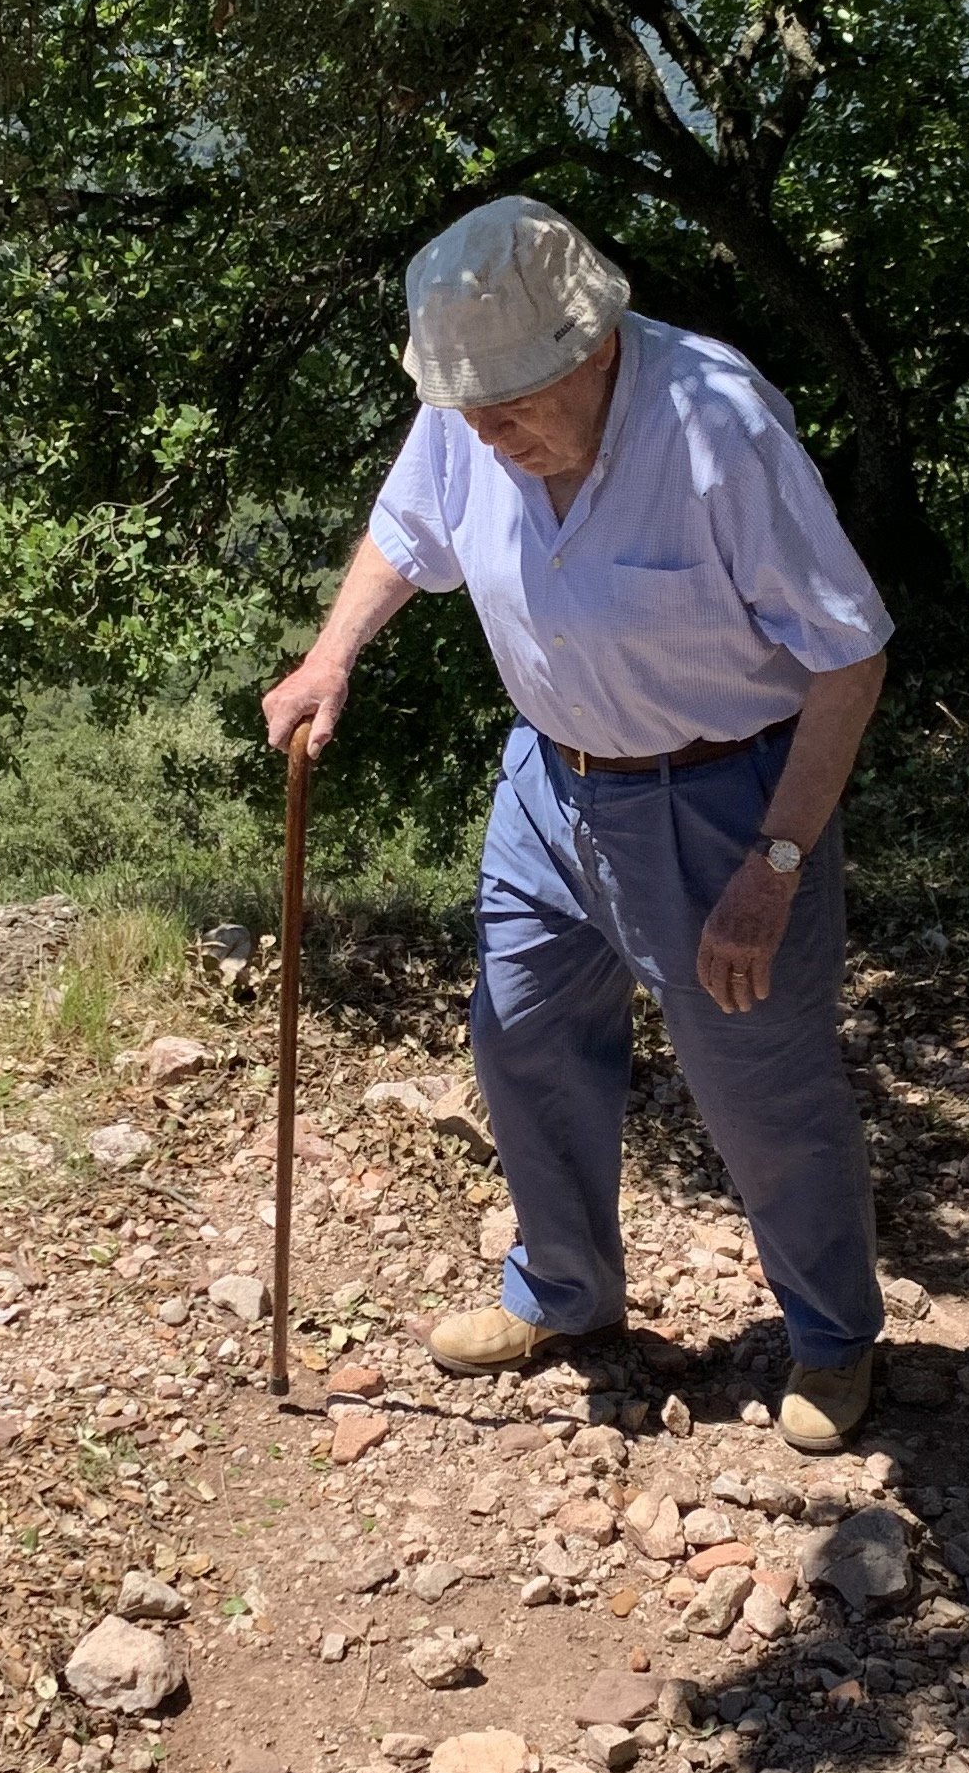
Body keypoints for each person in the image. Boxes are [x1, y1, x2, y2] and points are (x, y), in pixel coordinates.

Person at [262, 196, 894, 1452]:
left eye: (511, 410)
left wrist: (774, 864)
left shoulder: (716, 425)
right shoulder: (473, 405)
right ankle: (566, 1292)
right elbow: (407, 528)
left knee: (759, 1088)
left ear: (593, 345)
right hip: (550, 784)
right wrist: (334, 652)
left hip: (723, 800)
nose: (486, 437)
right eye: (469, 411)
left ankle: (832, 1336)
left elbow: (848, 655)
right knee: (523, 1035)